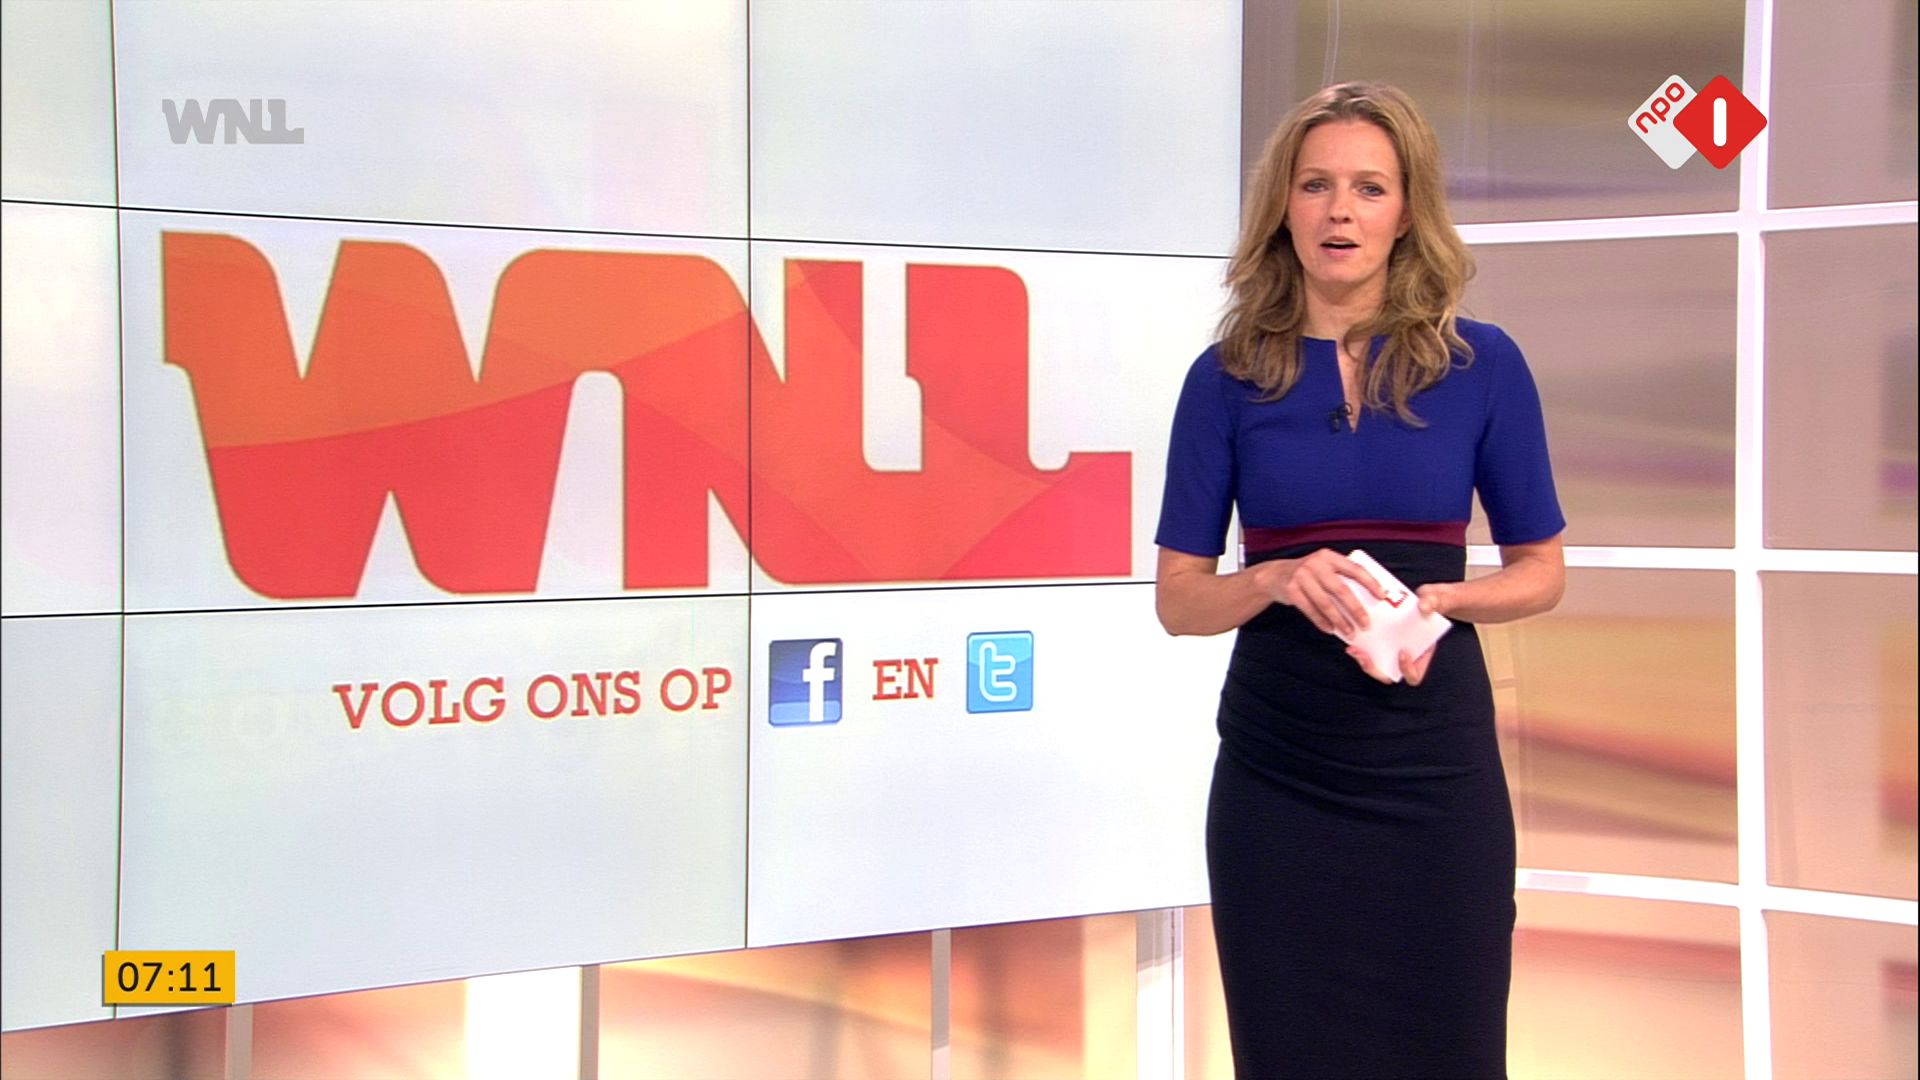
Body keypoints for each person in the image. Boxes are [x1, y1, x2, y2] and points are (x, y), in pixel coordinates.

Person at [1153, 81, 1567, 1078]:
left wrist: (1448, 601)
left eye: (1369, 188)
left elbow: (1542, 572)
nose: (1340, 212)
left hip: (1434, 773)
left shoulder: (1481, 365)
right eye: (1316, 185)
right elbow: (1179, 600)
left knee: (1449, 1049)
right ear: (1283, 208)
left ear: (1407, 210)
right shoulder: (1225, 378)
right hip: (1279, 775)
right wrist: (1275, 579)